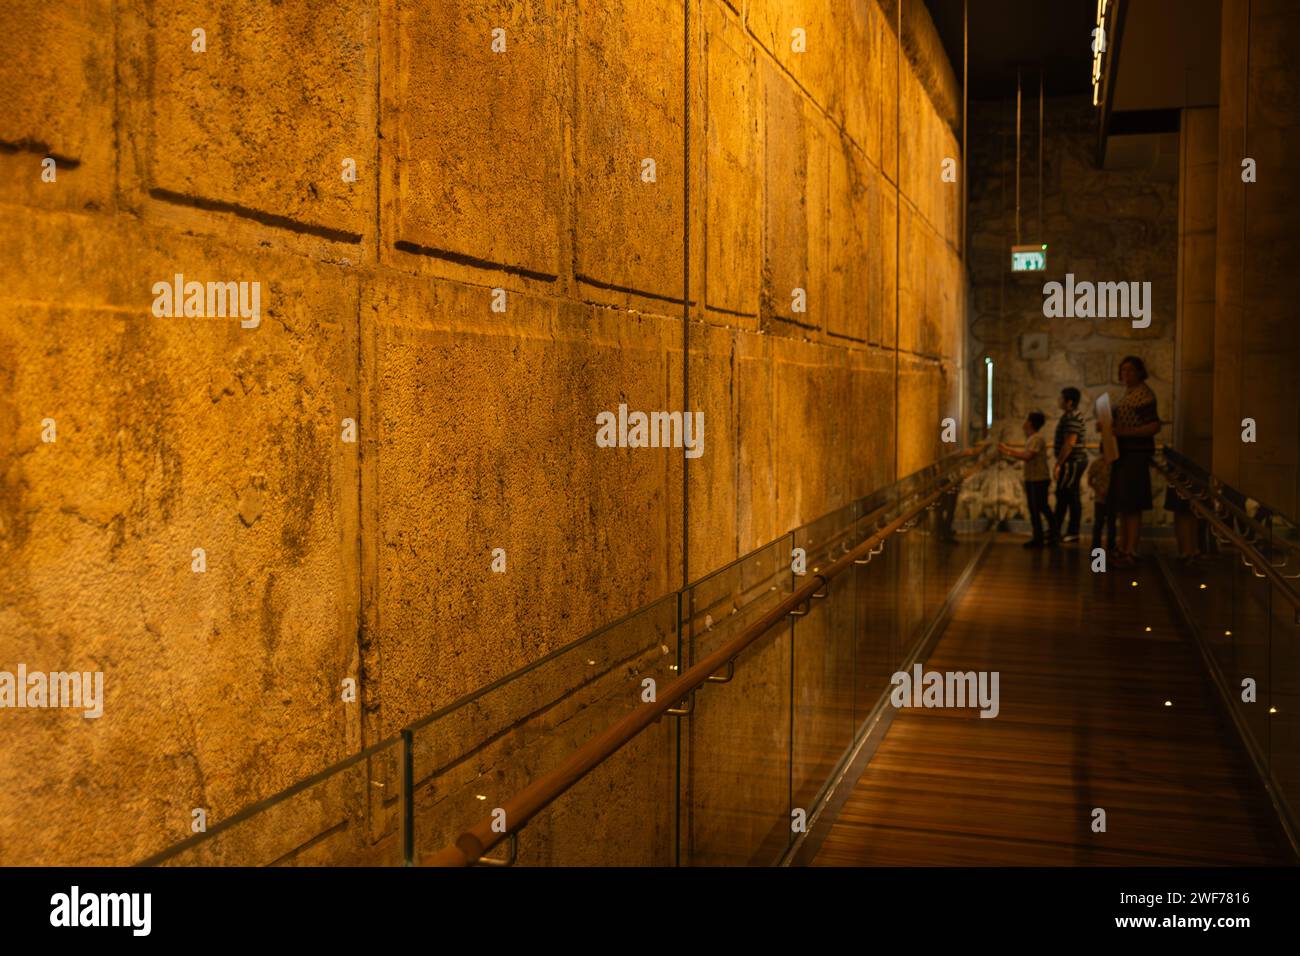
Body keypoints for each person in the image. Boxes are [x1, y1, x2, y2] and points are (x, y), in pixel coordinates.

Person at [1109, 356, 1161, 566]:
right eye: (1123, 370)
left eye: (1130, 370)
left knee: (1132, 505)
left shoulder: (1144, 395)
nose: (1126, 374)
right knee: (1124, 505)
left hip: (1135, 455)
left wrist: (1124, 432)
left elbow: (1153, 426)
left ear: (1140, 372)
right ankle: (1124, 547)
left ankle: (1131, 550)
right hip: (1124, 454)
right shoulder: (1129, 394)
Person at [999, 412, 1059, 548]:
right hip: (1034, 478)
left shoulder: (1036, 439)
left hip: (1038, 479)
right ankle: (1045, 535)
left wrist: (1007, 451)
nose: (1024, 423)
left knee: (1039, 508)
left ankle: (1044, 536)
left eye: (1027, 420)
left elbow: (1028, 456)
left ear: (1031, 423)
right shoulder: (1033, 438)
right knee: (1038, 508)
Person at [1052, 387, 1088, 543]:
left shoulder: (1072, 417)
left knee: (1068, 496)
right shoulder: (1069, 416)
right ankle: (1057, 529)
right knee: (1066, 495)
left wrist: (1059, 464)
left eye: (1061, 398)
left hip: (1072, 462)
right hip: (1072, 462)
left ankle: (1070, 531)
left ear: (1069, 402)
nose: (1058, 401)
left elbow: (1069, 443)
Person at [1086, 421, 1117, 553]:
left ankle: (1110, 546)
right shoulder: (1097, 464)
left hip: (1111, 497)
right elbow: (1090, 480)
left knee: (1111, 524)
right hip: (1100, 498)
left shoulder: (1115, 464)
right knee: (1099, 524)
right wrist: (1098, 489)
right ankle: (1096, 546)